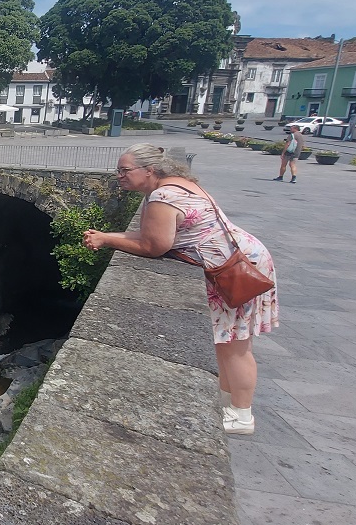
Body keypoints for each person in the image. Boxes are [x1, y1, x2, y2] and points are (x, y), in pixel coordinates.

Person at [82, 143, 278, 435]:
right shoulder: (176, 185)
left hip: (231, 269)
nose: (118, 176)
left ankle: (241, 415)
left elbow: (152, 246)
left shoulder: (163, 196)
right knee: (226, 342)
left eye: (124, 170)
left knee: (235, 346)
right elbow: (156, 235)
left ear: (149, 170)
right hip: (236, 260)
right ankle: (228, 405)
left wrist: (108, 241)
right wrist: (108, 235)